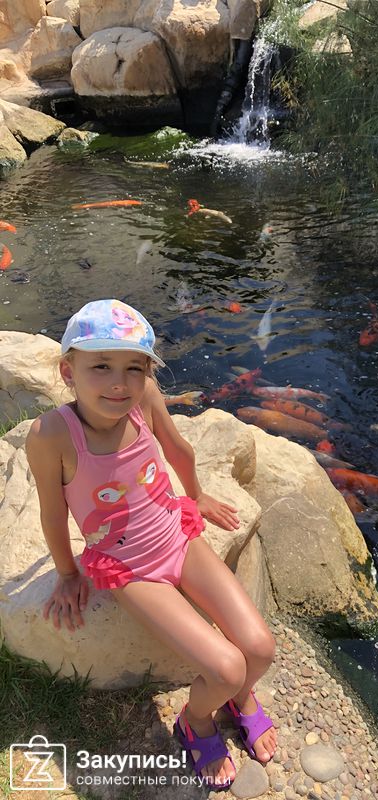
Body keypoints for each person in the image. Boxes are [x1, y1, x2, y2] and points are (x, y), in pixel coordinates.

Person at [26, 298, 277, 789]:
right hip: (131, 569)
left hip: (177, 536)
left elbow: (177, 448)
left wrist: (196, 496)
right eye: (101, 366)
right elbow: (52, 513)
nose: (120, 383)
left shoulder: (144, 399)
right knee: (227, 668)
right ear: (68, 371)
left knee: (261, 649)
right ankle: (196, 721)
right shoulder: (52, 434)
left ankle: (238, 695)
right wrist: (68, 573)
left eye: (134, 368)